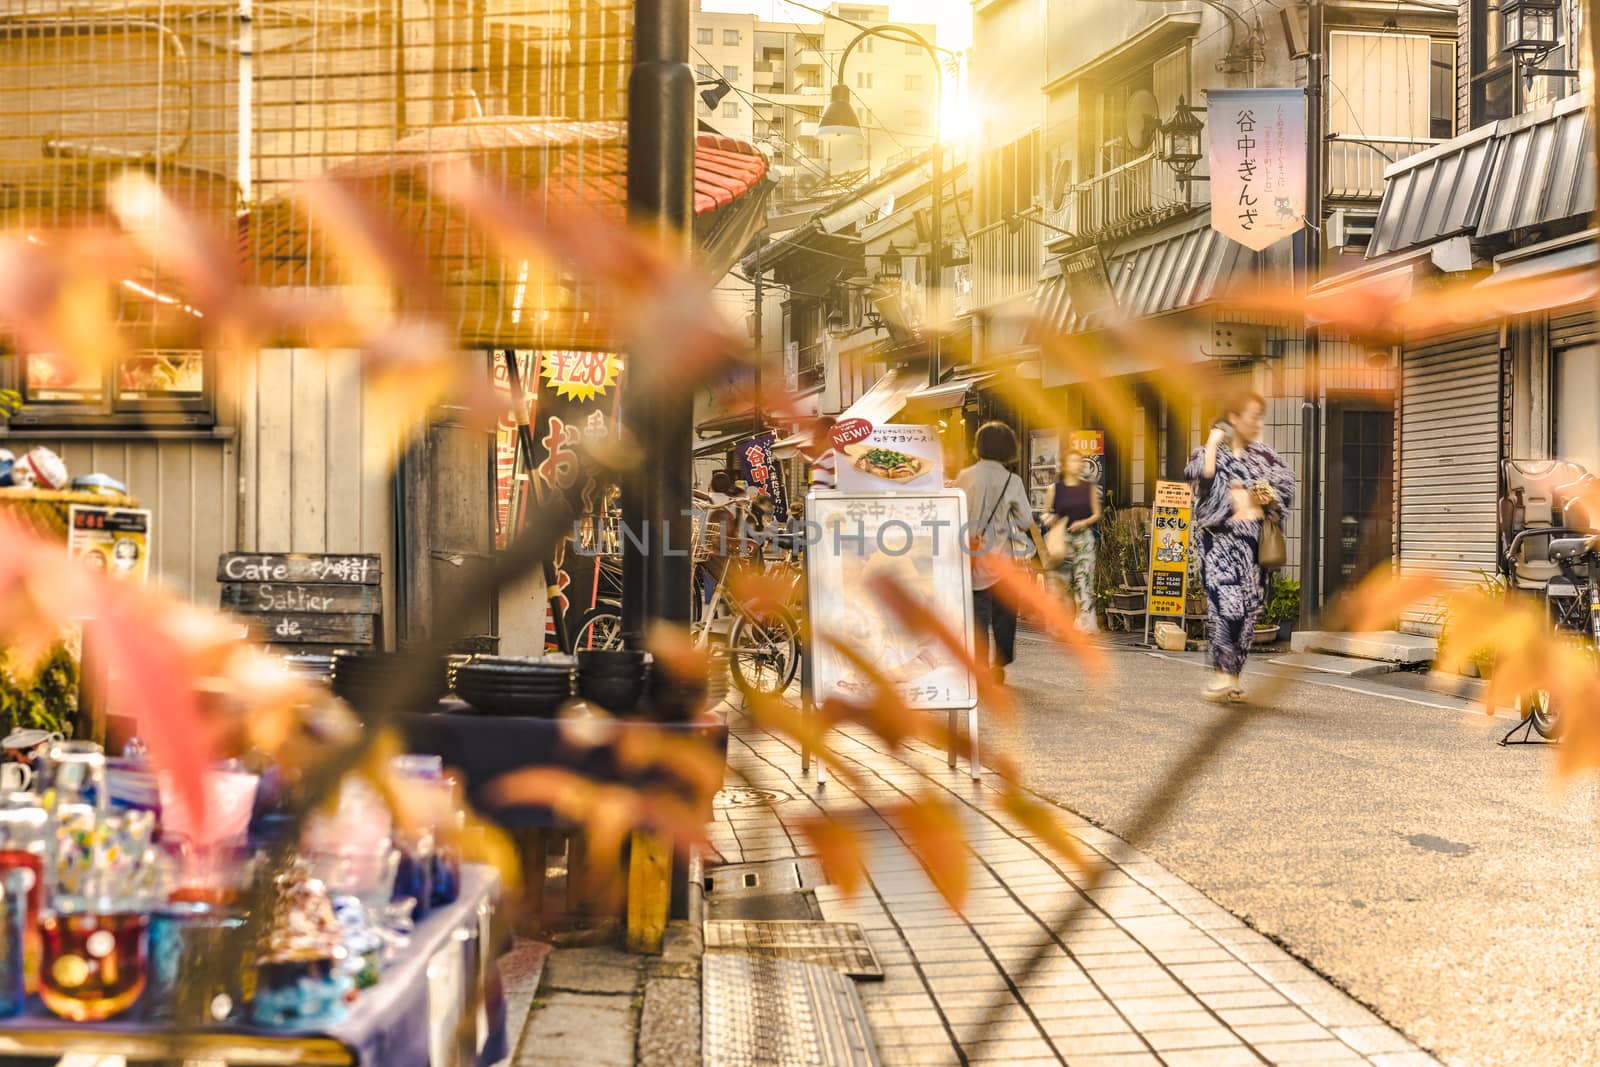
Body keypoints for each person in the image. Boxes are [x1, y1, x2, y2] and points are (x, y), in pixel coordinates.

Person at [1185, 389, 1295, 703]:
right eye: (1252, 416)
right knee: (1227, 605)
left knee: (1248, 612)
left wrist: (1269, 497)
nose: (1257, 423)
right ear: (1234, 418)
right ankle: (1222, 673)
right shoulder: (1208, 452)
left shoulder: (1265, 456)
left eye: (1260, 417)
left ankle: (1232, 677)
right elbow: (1200, 480)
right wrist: (1213, 444)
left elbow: (1284, 489)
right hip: (1219, 542)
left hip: (1254, 545)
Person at [955, 422, 1048, 684]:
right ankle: (1000, 664)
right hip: (1003, 559)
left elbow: (955, 513)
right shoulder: (1013, 480)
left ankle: (979, 665)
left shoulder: (966, 476)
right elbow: (1025, 519)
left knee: (977, 613)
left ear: (979, 445)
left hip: (971, 558)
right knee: (1005, 613)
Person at [1043, 451, 1102, 632]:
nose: (1078, 464)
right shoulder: (1055, 488)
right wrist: (1050, 519)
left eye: (1080, 461)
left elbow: (1097, 513)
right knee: (1060, 583)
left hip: (1084, 539)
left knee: (1084, 581)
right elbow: (1044, 512)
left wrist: (1084, 522)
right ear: (1065, 465)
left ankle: (1084, 626)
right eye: (1073, 461)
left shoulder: (1089, 488)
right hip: (1062, 539)